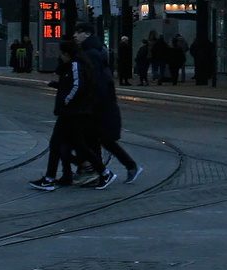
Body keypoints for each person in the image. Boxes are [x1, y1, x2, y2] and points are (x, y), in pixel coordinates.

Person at [30, 38, 117, 190]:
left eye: (62, 54)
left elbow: (77, 85)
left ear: (66, 53)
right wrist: (55, 85)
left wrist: (66, 100)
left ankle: (50, 178)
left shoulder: (75, 65)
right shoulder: (74, 65)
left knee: (57, 143)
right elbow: (71, 84)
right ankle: (104, 172)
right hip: (72, 111)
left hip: (71, 112)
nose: (60, 57)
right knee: (77, 145)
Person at [78, 29, 143, 184]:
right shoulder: (98, 52)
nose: (75, 35)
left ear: (87, 34)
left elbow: (94, 82)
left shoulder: (91, 55)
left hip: (99, 106)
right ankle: (99, 171)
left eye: (78, 32)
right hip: (102, 105)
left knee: (99, 139)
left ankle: (111, 169)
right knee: (98, 139)